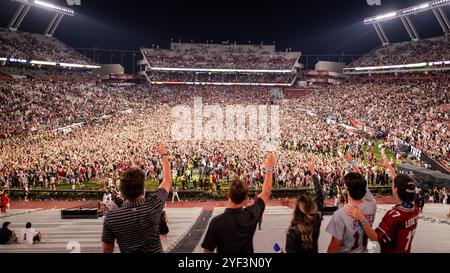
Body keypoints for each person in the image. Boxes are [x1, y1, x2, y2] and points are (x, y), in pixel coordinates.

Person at [102, 145, 171, 253]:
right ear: (143, 190)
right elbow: (166, 180)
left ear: (122, 193)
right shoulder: (153, 206)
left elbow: (107, 248)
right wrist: (163, 154)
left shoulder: (111, 217)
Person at [202, 153, 276, 253]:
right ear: (245, 198)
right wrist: (269, 168)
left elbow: (207, 252)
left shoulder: (216, 223)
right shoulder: (250, 215)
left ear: (228, 195)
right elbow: (266, 192)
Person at [345, 156, 419, 253]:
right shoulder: (414, 209)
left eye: (393, 184)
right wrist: (389, 166)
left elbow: (375, 237)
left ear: (396, 189)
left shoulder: (393, 216)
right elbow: (400, 182)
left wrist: (361, 217)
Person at [326, 153, 377, 253]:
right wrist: (351, 163)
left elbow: (333, 247)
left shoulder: (341, 215)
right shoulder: (372, 205)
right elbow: (362, 183)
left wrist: (351, 162)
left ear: (347, 189)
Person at [285, 157, 324, 253]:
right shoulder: (316, 220)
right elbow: (320, 194)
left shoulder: (292, 232)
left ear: (297, 210)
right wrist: (313, 172)